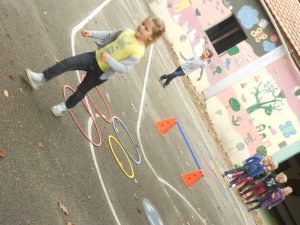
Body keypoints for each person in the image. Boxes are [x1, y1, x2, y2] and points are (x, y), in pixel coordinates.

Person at [25, 16, 165, 116]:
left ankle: (65, 107)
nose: (141, 27)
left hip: (100, 73)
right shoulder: (127, 32)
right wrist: (92, 33)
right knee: (67, 63)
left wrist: (110, 60)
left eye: (146, 28)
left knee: (81, 91)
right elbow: (109, 34)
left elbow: (124, 69)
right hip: (93, 57)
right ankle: (41, 78)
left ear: (151, 37)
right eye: (142, 23)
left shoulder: (138, 52)